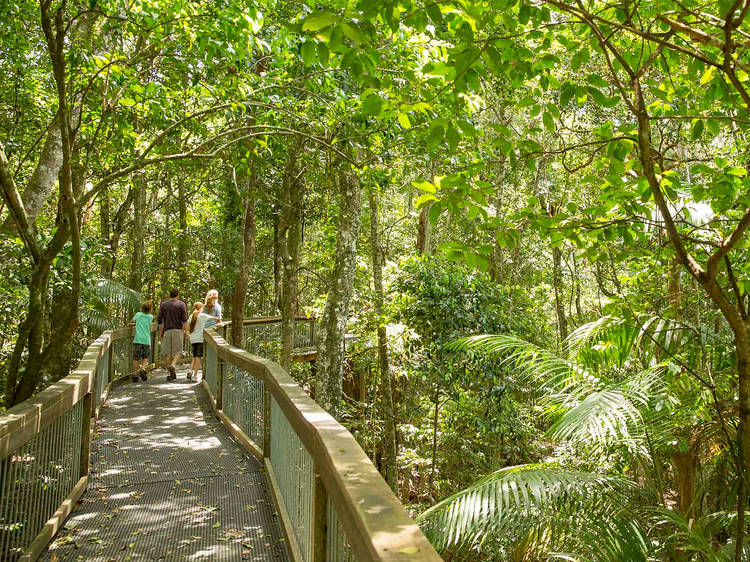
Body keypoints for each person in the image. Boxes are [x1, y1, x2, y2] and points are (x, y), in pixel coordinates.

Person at [157, 288, 188, 381]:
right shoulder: (181, 304)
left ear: (169, 295)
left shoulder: (164, 304)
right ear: (177, 295)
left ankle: (171, 374)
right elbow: (184, 319)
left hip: (167, 330)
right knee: (178, 351)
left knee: (167, 352)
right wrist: (186, 331)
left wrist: (161, 331)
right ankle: (173, 365)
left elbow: (159, 320)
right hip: (178, 330)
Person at [187, 302, 220, 381]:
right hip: (199, 338)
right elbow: (215, 318)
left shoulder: (191, 316)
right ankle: (195, 375)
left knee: (194, 356)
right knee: (198, 357)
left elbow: (188, 327)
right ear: (201, 308)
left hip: (192, 338)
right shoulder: (202, 316)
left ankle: (190, 371)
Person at [130, 301, 153, 382]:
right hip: (146, 340)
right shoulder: (150, 317)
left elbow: (133, 321)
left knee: (136, 358)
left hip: (138, 339)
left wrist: (132, 324)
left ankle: (135, 374)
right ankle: (143, 369)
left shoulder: (138, 314)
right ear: (150, 309)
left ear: (142, 308)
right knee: (145, 356)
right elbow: (149, 325)